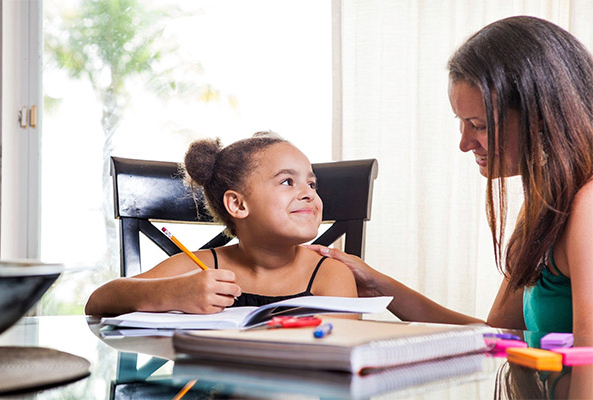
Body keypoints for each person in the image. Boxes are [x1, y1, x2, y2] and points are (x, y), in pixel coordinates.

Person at [307, 16, 593, 398]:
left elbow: (588, 361)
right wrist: (382, 286)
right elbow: (498, 337)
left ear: (541, 117)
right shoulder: (545, 206)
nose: (464, 143)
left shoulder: (587, 207)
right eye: (460, 122)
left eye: (479, 124)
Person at [85, 132, 357, 316]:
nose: (309, 193)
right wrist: (172, 291)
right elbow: (98, 301)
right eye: (287, 181)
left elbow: (343, 358)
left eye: (311, 183)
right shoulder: (195, 268)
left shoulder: (330, 275)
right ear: (238, 205)